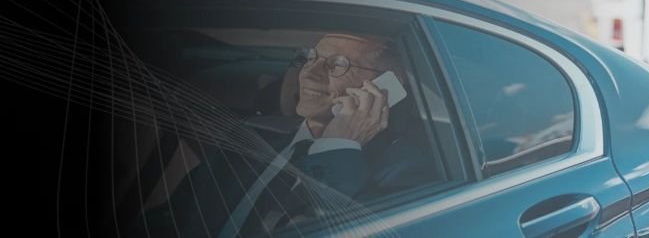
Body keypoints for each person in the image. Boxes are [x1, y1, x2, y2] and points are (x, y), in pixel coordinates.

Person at [148, 33, 435, 237]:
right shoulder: (245, 146)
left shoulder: (407, 172)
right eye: (309, 58)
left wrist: (337, 148)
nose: (309, 73)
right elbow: (166, 221)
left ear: (386, 86)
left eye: (336, 64)